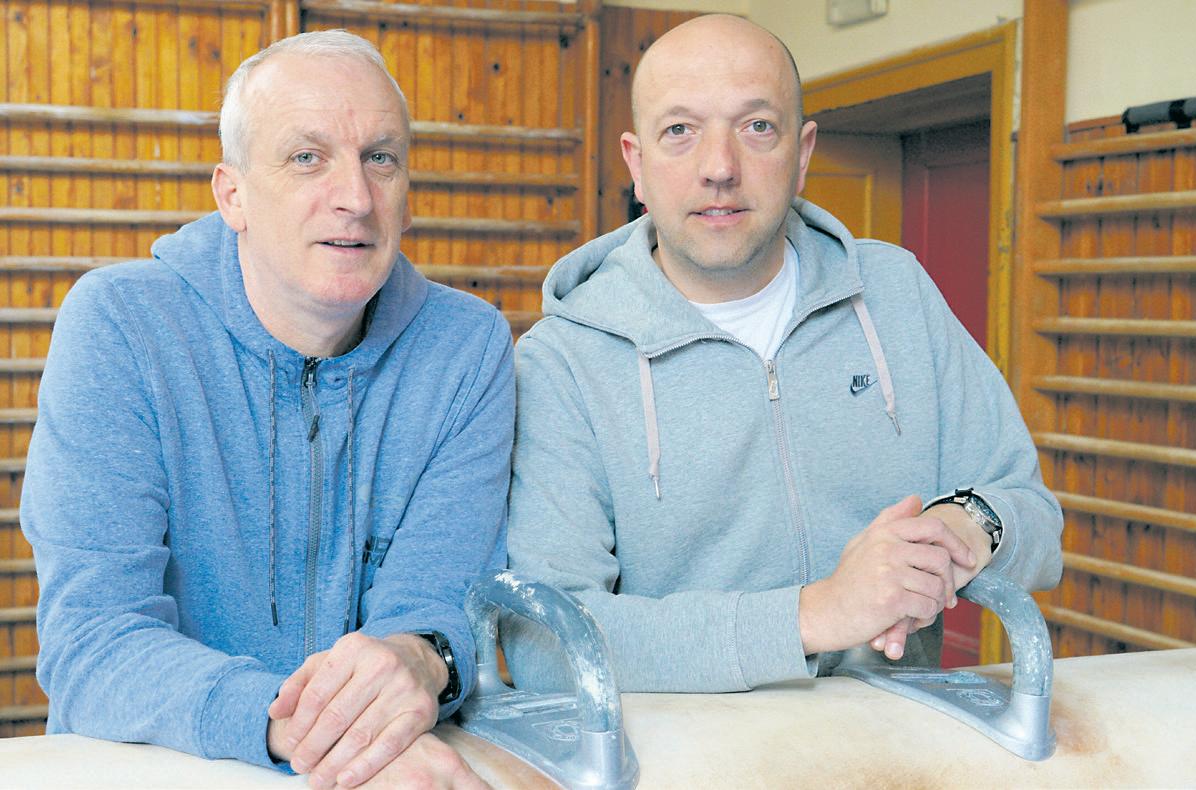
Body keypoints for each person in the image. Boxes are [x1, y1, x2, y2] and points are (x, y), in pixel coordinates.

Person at [503, 14, 1062, 693]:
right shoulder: (563, 360)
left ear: (801, 155)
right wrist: (814, 615)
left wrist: (964, 528)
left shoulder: (897, 295)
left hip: (890, 737)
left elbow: (1034, 516)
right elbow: (547, 643)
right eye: (680, 130)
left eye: (757, 126)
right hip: (676, 749)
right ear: (637, 165)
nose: (719, 167)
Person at [20, 30, 511, 788]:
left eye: (380, 158)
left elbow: (438, 606)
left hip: (391, 763)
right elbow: (93, 642)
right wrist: (297, 727)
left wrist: (420, 660)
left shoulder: (468, 347)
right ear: (233, 195)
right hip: (168, 768)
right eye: (307, 157)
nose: (356, 198)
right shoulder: (120, 325)